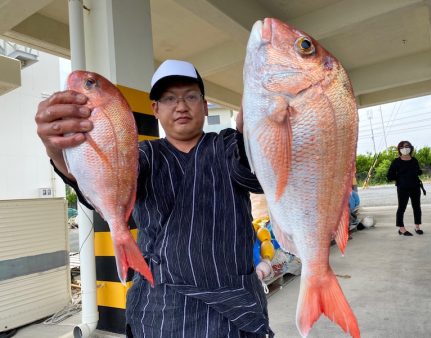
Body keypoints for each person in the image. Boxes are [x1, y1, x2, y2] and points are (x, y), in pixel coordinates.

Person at [35, 60, 273, 337]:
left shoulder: (227, 144)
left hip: (234, 309)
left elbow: (253, 176)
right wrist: (56, 151)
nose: (181, 106)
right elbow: (100, 190)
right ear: (155, 109)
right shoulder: (142, 155)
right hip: (160, 310)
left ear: (206, 106)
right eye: (169, 98)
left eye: (191, 96)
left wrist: (251, 138)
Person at [387, 140, 424, 236]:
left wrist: (419, 172)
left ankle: (417, 226)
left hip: (415, 187)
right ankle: (401, 228)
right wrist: (400, 178)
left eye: (407, 146)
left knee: (417, 207)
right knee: (401, 208)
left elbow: (418, 171)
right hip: (403, 188)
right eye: (402, 147)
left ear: (410, 148)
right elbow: (389, 176)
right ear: (399, 149)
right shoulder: (396, 162)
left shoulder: (414, 160)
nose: (405, 148)